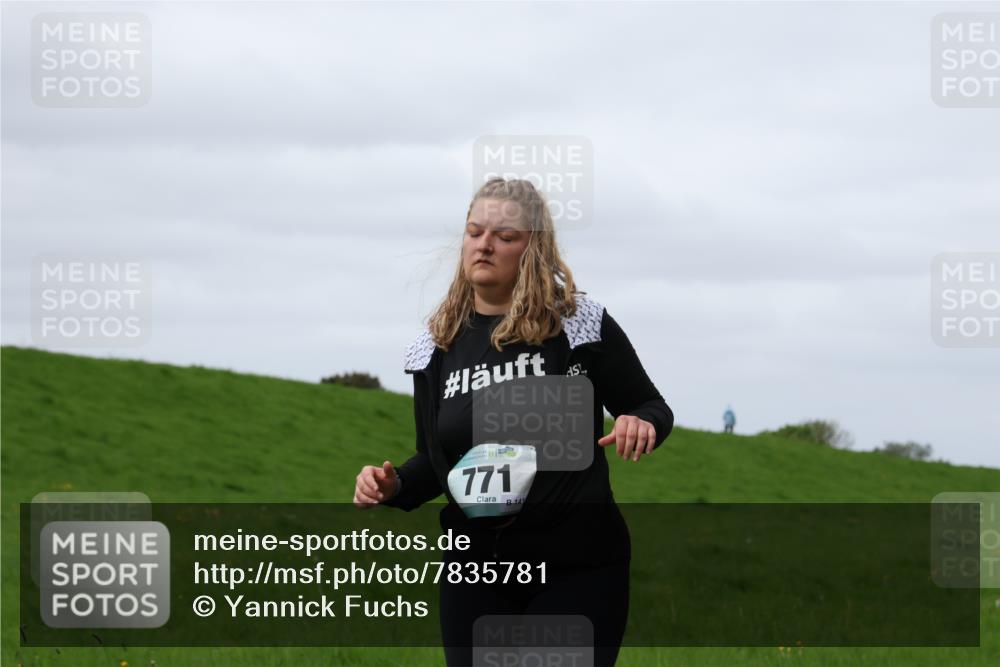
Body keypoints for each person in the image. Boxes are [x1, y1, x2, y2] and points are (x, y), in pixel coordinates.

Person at [353, 177, 674, 666]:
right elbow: (439, 465)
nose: (485, 244)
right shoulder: (434, 347)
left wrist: (639, 422)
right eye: (475, 231)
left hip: (578, 565)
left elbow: (652, 407)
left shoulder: (577, 324)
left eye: (505, 236)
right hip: (475, 572)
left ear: (533, 248)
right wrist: (392, 484)